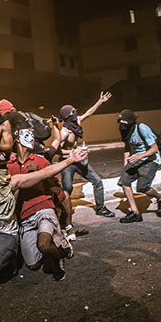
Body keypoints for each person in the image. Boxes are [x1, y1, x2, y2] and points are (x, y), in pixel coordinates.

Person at [0, 145, 88, 281]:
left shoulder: (13, 182)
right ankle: (46, 246)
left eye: (4, 167)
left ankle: (53, 251)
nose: (3, 172)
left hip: (6, 232)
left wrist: (69, 160)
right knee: (33, 264)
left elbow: (43, 173)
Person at [6, 124, 73, 281]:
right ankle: (56, 241)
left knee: (43, 245)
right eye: (26, 135)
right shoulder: (8, 165)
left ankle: (58, 260)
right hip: (24, 216)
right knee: (33, 264)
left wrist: (41, 174)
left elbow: (58, 192)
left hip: (44, 209)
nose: (31, 138)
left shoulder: (41, 161)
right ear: (17, 139)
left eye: (33, 135)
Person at [54, 92, 116, 239]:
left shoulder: (76, 123)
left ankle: (101, 208)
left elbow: (88, 113)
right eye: (74, 111)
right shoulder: (65, 131)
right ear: (69, 116)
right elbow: (56, 149)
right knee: (67, 189)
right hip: (68, 163)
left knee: (97, 181)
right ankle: (63, 217)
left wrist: (100, 101)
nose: (77, 113)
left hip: (79, 161)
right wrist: (71, 154)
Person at [117, 109, 161, 223]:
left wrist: (139, 156)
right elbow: (127, 147)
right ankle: (135, 213)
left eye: (124, 123)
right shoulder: (125, 131)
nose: (122, 125)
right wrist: (125, 163)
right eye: (120, 122)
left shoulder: (142, 128)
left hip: (150, 159)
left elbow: (154, 149)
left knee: (142, 188)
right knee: (124, 182)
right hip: (136, 159)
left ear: (130, 122)